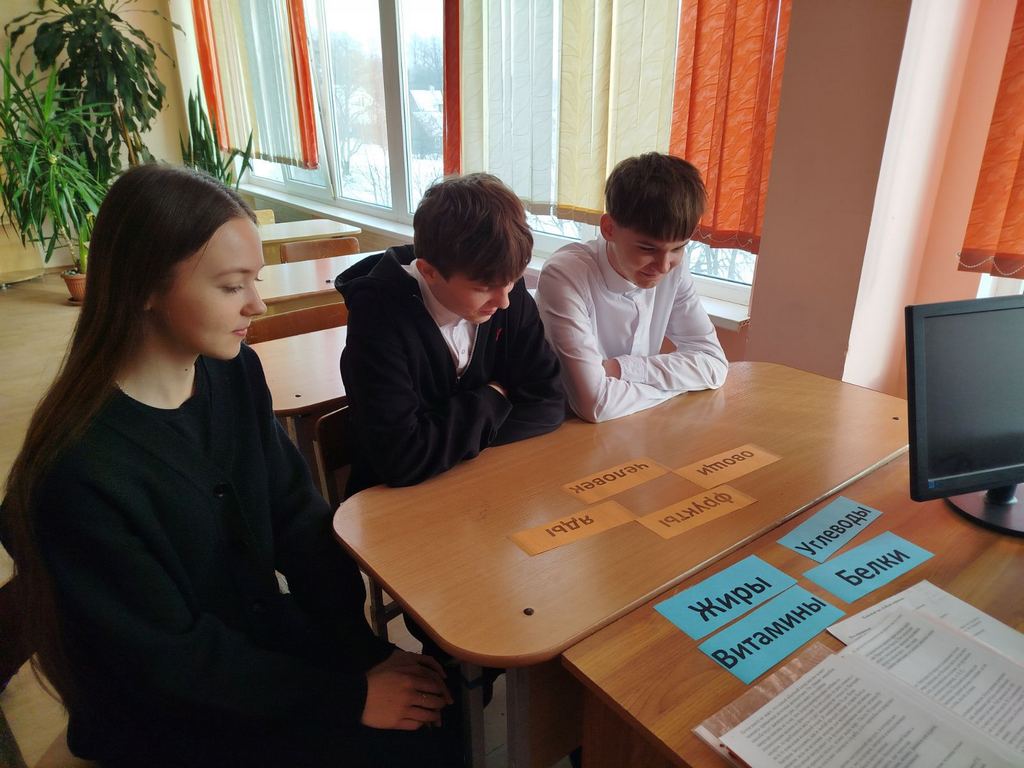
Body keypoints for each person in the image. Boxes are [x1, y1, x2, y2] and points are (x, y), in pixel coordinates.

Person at [0, 165, 457, 767]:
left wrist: (361, 651)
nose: (257, 304)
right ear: (144, 287)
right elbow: (169, 661)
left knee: (438, 719)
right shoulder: (78, 472)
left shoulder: (232, 370)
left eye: (255, 281)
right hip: (169, 709)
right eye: (231, 286)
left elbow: (299, 518)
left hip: (249, 654)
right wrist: (348, 698)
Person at [336, 172, 565, 498]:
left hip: (486, 487)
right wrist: (495, 397)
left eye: (513, 281)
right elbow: (401, 458)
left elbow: (550, 404)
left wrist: (445, 437)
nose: (504, 301)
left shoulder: (503, 286)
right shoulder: (378, 317)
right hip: (394, 503)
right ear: (428, 272)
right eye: (483, 288)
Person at [535, 153, 729, 423]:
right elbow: (594, 404)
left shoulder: (675, 270)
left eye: (678, 248)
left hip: (636, 425)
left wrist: (621, 369)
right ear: (609, 229)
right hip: (569, 432)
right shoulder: (565, 275)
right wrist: (682, 383)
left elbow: (714, 363)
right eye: (647, 248)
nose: (664, 266)